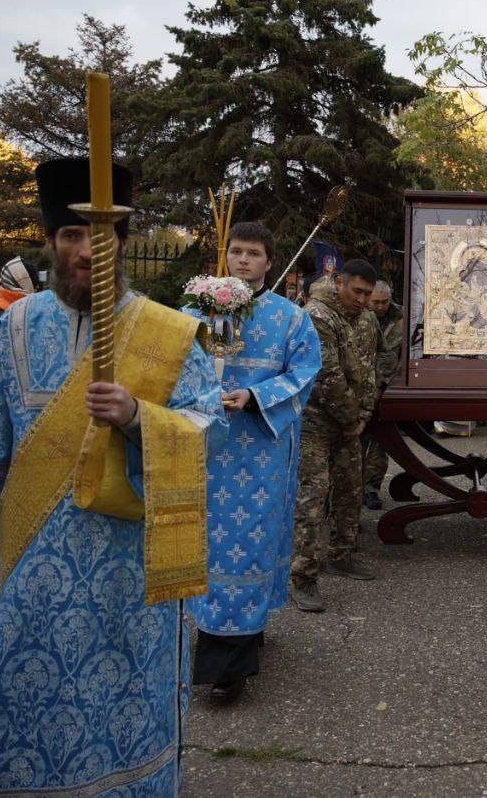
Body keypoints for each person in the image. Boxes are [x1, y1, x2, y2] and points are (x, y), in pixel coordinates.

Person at [0, 158, 225, 794]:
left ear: (122, 245)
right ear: (50, 242)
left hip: (128, 563)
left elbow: (206, 429)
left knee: (124, 690)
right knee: (24, 683)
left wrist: (137, 415)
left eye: (99, 236)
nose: (85, 251)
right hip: (35, 560)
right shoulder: (17, 326)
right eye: (71, 235)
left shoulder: (168, 332)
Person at [186, 222, 320, 702]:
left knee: (249, 542)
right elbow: (170, 369)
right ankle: (231, 630)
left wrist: (254, 395)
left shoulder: (290, 318)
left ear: (269, 261)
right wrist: (202, 397)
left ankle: (229, 662)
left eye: (254, 253)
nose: (243, 260)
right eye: (237, 251)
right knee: (208, 543)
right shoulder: (193, 312)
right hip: (205, 448)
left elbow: (305, 372)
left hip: (260, 451)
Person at [293, 258, 380, 602]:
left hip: (351, 422)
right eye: (357, 291)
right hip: (315, 422)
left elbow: (369, 370)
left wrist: (363, 414)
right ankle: (303, 576)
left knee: (349, 492)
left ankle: (342, 555)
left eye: (368, 294)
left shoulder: (367, 319)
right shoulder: (317, 316)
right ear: (339, 282)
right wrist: (350, 420)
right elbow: (325, 376)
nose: (362, 299)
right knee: (312, 500)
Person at [363, 279, 403, 510]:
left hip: (388, 387)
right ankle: (352, 488)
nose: (380, 307)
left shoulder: (401, 317)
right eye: (375, 302)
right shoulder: (359, 316)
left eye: (384, 302)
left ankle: (372, 488)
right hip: (361, 385)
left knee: (381, 442)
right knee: (356, 442)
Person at [0, 256, 40, 354]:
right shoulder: (1, 313)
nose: (36, 288)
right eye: (34, 282)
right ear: (23, 281)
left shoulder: (12, 306)